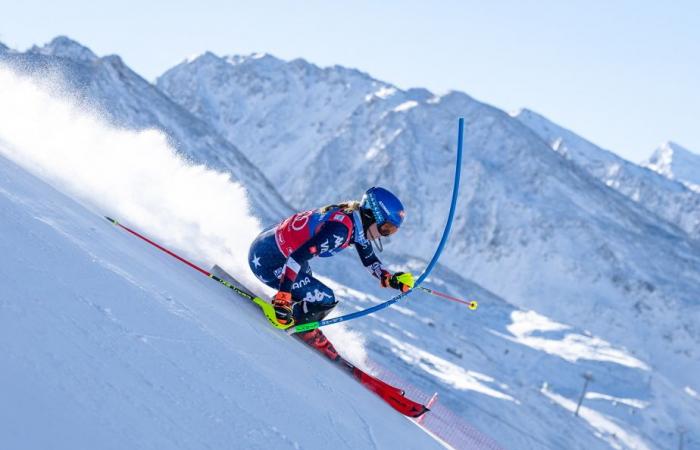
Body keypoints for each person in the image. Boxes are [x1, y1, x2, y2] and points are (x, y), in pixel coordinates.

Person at [248, 187, 415, 357]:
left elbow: (369, 259)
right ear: (372, 215)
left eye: (391, 231)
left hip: (269, 247)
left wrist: (389, 278)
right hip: (268, 261)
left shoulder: (354, 220)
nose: (385, 235)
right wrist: (284, 296)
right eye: (386, 228)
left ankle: (293, 310)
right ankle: (299, 327)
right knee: (325, 299)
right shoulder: (340, 231)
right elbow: (296, 257)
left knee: (310, 292)